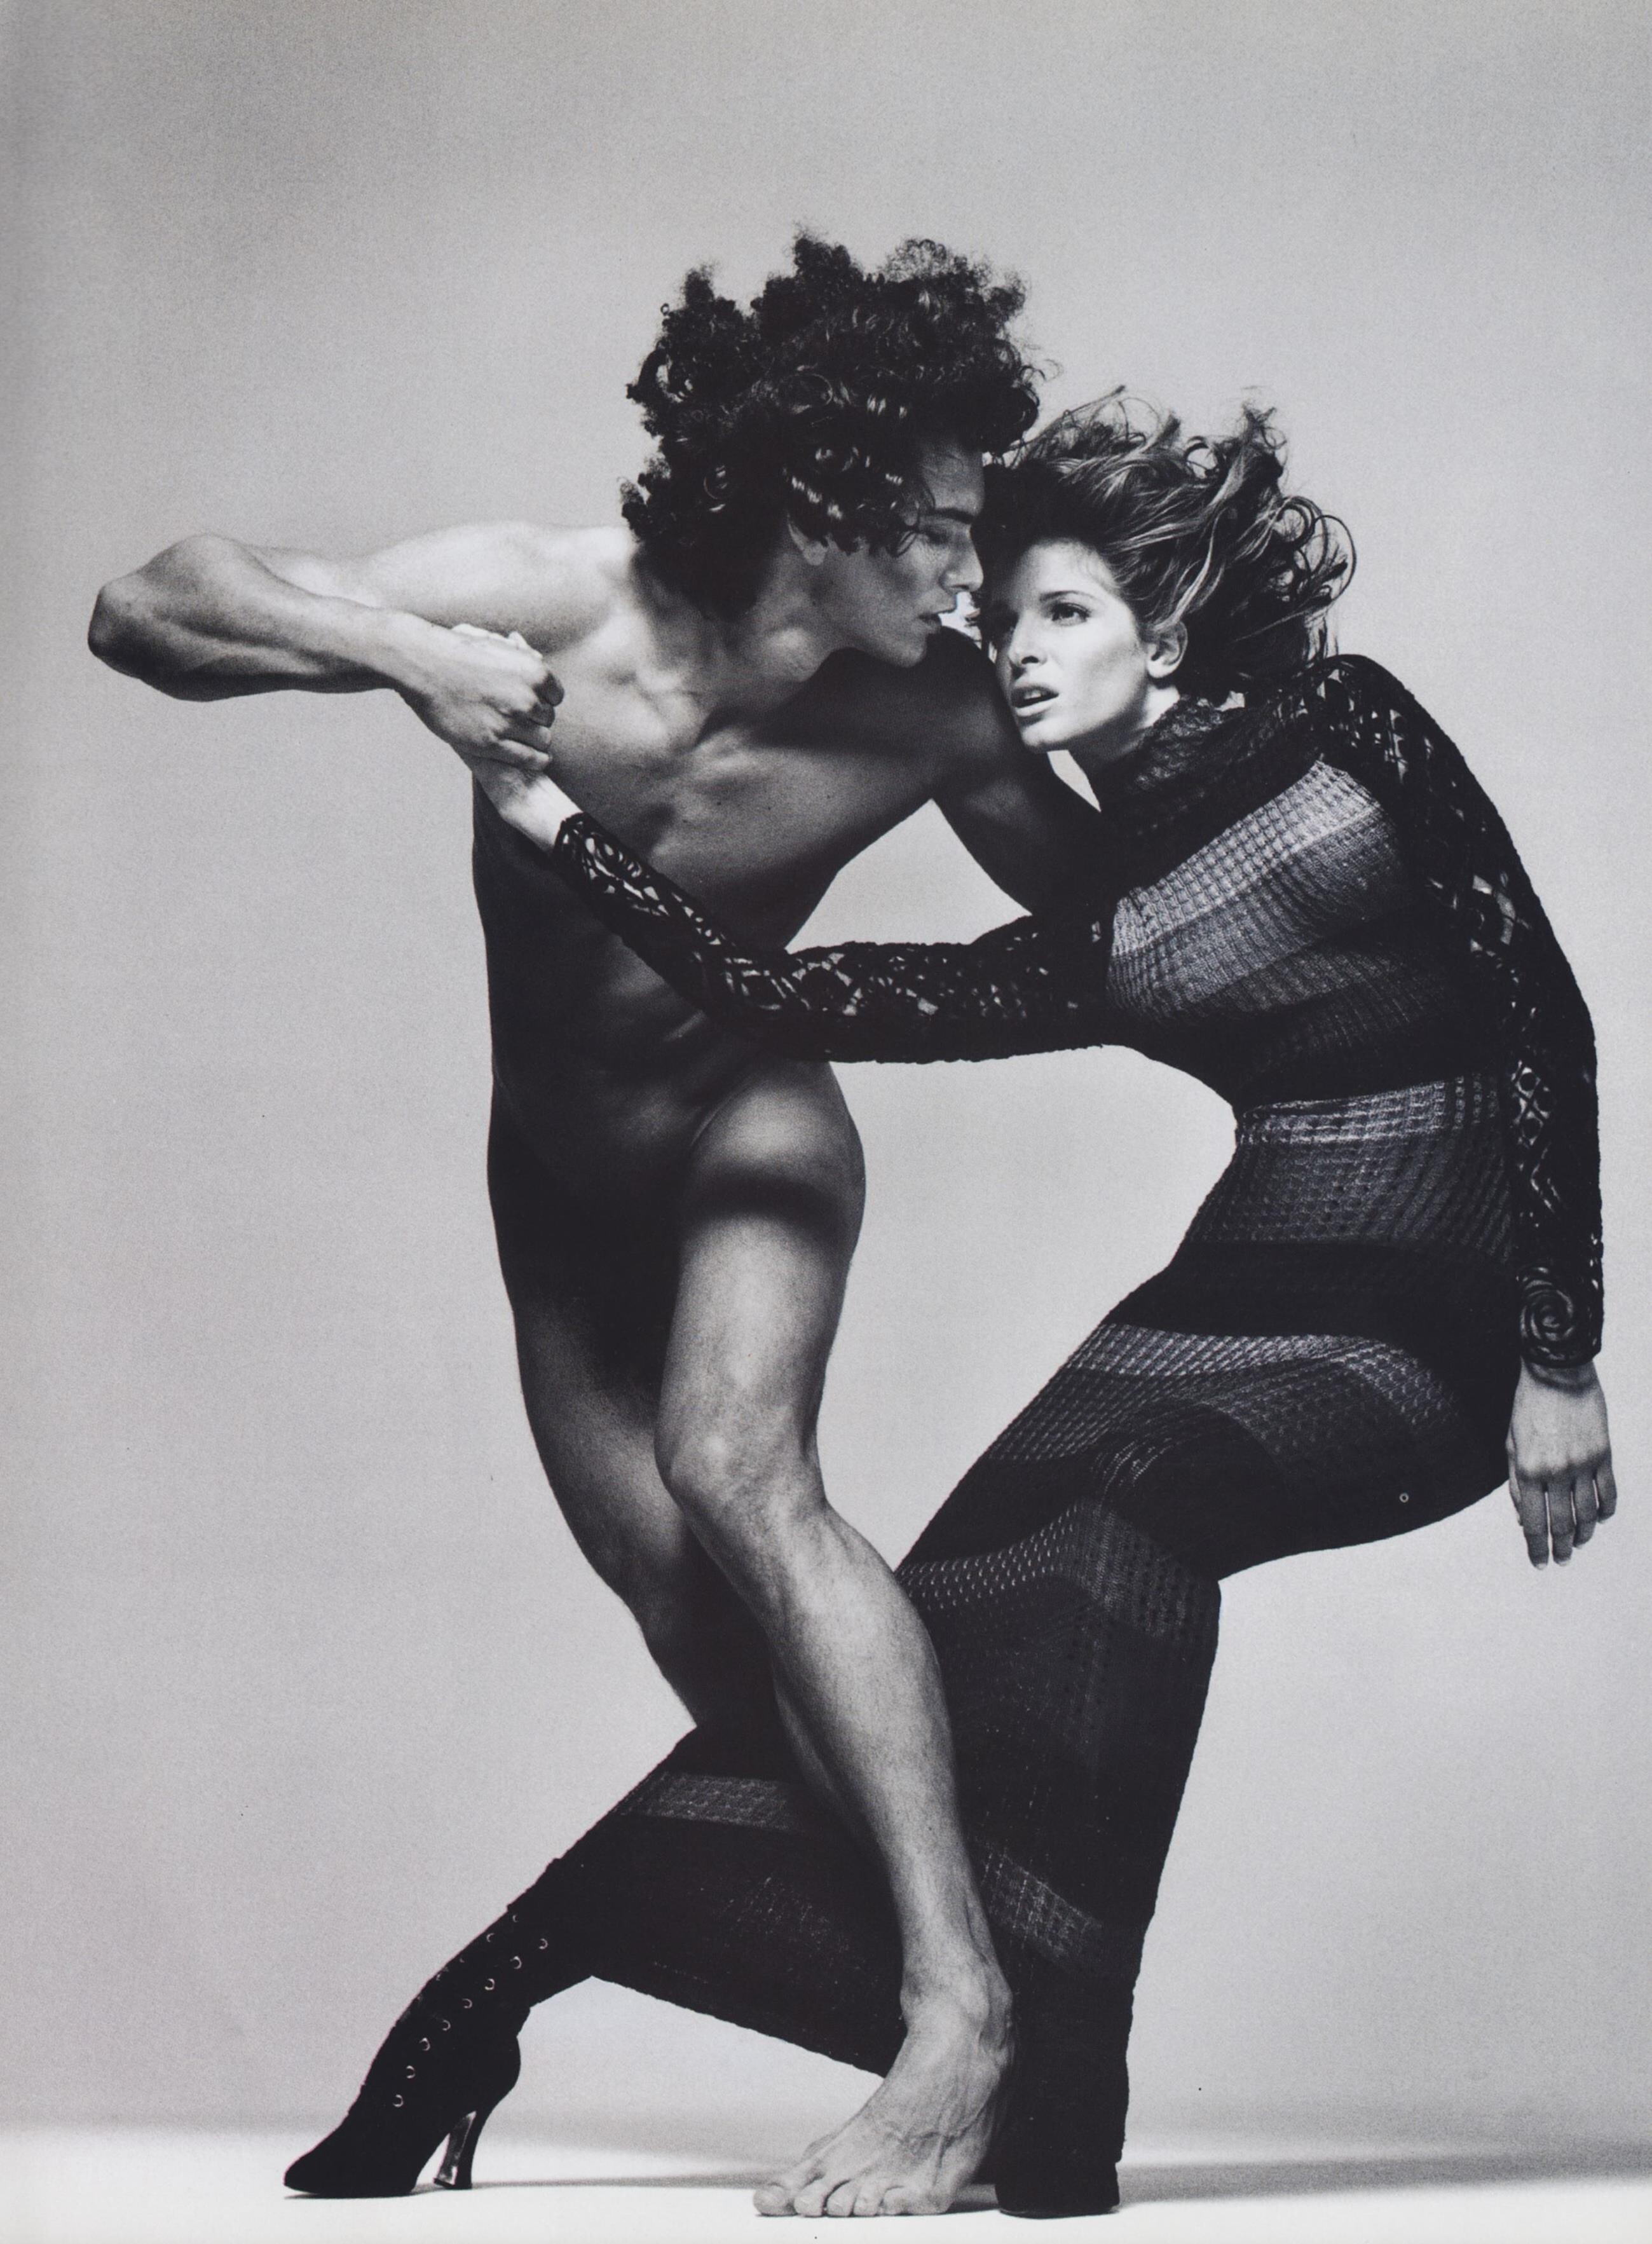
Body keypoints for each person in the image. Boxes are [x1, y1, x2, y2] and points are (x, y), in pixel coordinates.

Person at [280, 394, 1611, 2220]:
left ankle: (1036, 2084)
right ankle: (524, 1986)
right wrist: (549, 818)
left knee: (1129, 1501)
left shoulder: (1352, 726)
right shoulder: (1105, 924)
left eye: (1064, 611)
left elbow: (1542, 1007)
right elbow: (781, 991)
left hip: (1451, 1306)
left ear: (1170, 615)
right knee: (960, 1607)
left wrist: (1559, 1351)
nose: (1017, 650)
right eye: (1005, 617)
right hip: (1259, 1270)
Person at [87, 238, 1105, 2215]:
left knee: (739, 1469)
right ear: (823, 506)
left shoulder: (938, 715)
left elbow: (1135, 920)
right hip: (552, 1181)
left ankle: (964, 2009)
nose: (967, 573)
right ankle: (981, 1974)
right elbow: (141, 610)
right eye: (939, 530)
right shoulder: (555, 602)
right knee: (677, 1593)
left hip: (752, 1121)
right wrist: (403, 654)